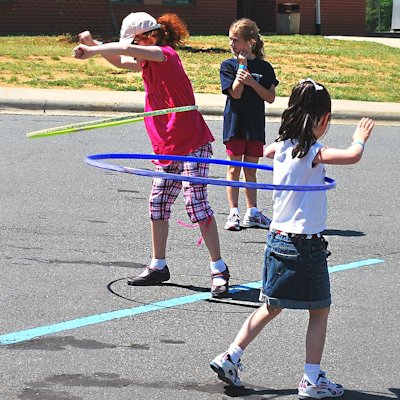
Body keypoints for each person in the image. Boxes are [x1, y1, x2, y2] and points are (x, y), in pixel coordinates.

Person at [210, 78, 374, 398]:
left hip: (277, 239)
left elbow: (269, 150)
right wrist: (360, 138)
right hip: (304, 244)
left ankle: (231, 355)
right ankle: (312, 379)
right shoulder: (313, 152)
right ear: (322, 120)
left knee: (271, 306)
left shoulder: (278, 148)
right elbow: (353, 156)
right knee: (320, 310)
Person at [74, 12, 230, 298]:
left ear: (151, 37)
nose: (133, 45)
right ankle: (159, 266)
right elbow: (122, 60)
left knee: (196, 205)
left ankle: (219, 270)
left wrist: (92, 49)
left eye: (136, 39)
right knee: (158, 204)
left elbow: (125, 50)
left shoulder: (164, 54)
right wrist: (94, 44)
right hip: (167, 146)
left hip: (192, 143)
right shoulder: (147, 63)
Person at [220, 18, 279, 231]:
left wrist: (252, 81)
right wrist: (241, 68)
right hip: (235, 125)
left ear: (251, 42)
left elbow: (270, 97)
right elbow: (235, 93)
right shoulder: (228, 65)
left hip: (255, 125)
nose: (232, 44)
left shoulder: (264, 68)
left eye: (236, 40)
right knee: (234, 167)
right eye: (230, 40)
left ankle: (252, 211)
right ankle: (233, 212)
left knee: (251, 169)